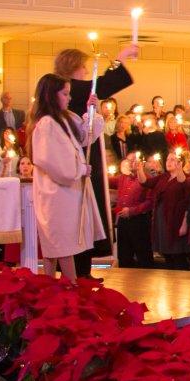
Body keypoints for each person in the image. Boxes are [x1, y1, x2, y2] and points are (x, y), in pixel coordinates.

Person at [56, 44, 136, 277]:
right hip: (79, 156)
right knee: (83, 211)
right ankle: (79, 272)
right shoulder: (69, 88)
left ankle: (82, 269)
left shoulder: (66, 89)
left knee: (87, 212)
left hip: (80, 153)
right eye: (82, 67)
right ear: (73, 68)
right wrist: (120, 58)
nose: (84, 71)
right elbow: (103, 84)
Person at [29, 72, 103, 277]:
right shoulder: (46, 124)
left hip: (68, 191)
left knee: (62, 244)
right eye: (65, 94)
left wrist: (91, 108)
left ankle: (56, 288)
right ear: (51, 95)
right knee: (59, 244)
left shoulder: (66, 117)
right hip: (56, 192)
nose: (69, 98)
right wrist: (80, 169)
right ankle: (68, 288)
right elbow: (50, 160)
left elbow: (86, 135)